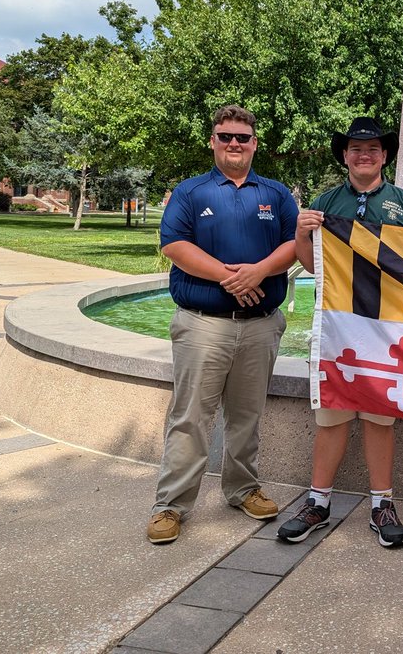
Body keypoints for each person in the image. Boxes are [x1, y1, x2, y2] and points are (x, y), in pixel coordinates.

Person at [147, 105, 299, 545]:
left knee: (247, 416)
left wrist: (259, 272)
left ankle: (243, 488)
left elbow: (294, 243)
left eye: (243, 137)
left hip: (260, 325)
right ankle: (171, 505)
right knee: (190, 417)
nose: (235, 143)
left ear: (255, 143)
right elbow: (173, 244)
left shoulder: (275, 193)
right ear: (212, 141)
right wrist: (231, 277)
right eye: (225, 136)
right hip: (203, 325)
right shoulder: (191, 192)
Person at [277, 117, 403, 549]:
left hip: (386, 327)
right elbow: (310, 265)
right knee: (332, 415)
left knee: (381, 416)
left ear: (385, 156)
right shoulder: (325, 202)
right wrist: (302, 233)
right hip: (337, 325)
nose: (364, 154)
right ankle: (317, 501)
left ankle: (382, 504)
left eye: (373, 148)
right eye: (356, 148)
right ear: (344, 155)